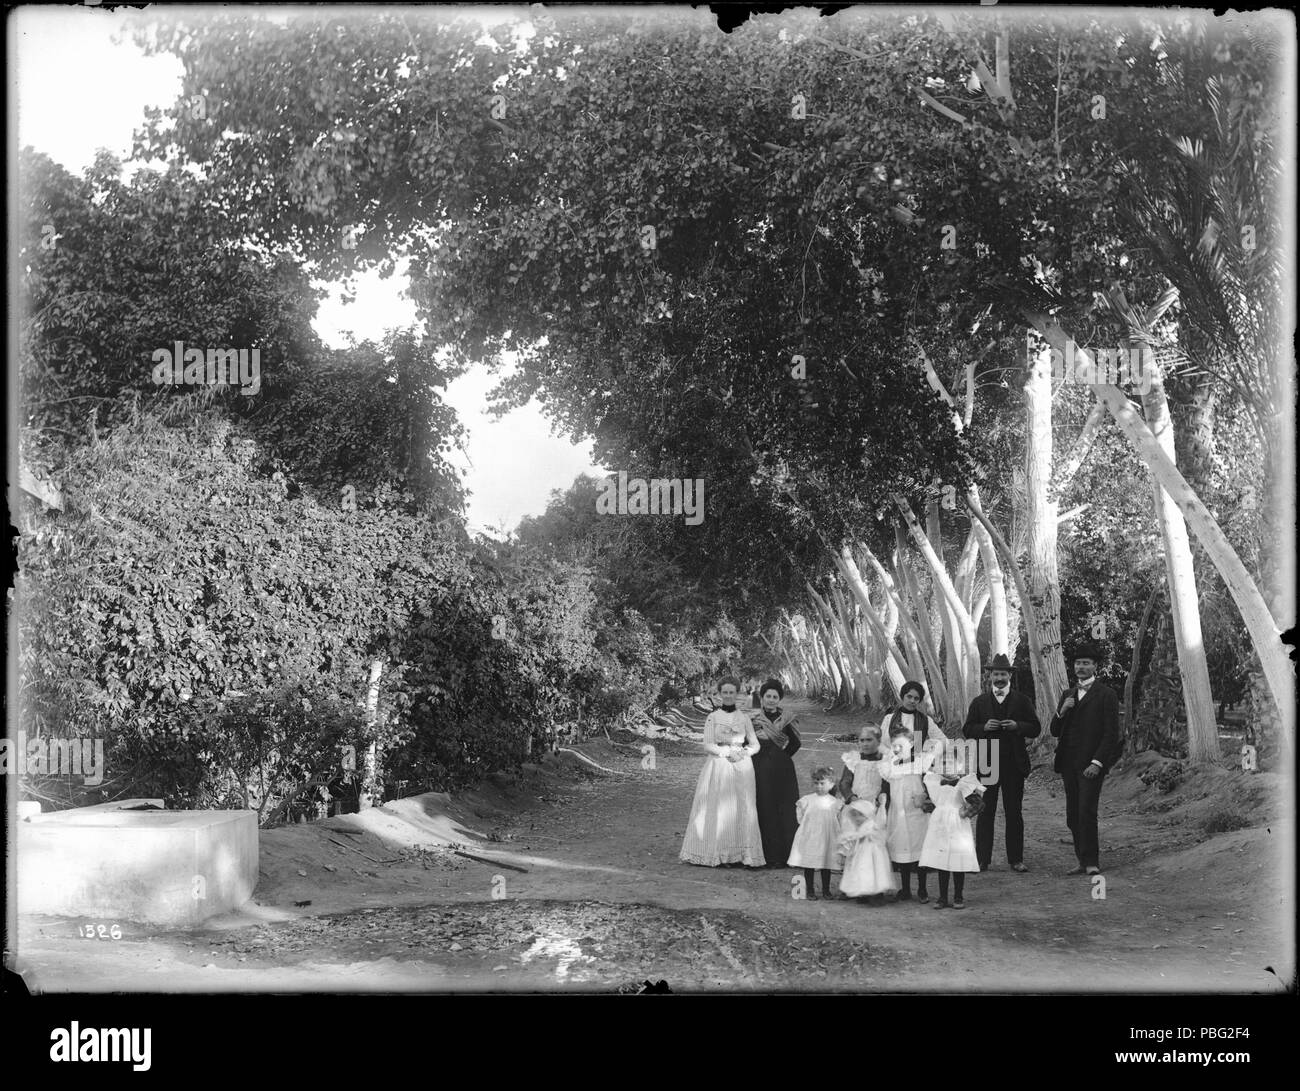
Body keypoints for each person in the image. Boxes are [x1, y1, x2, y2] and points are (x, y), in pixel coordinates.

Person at [961, 652, 1041, 872]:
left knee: (1013, 811)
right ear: (990, 676)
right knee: (985, 811)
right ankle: (982, 860)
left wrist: (1018, 726)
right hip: (987, 764)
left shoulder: (1022, 701)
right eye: (996, 673)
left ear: (1009, 676)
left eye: (1003, 674)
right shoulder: (979, 702)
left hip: (1014, 764)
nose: (999, 678)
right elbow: (967, 730)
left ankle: (1016, 859)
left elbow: (1036, 727)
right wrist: (982, 728)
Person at [1050, 643, 1122, 876]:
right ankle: (1081, 860)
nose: (1081, 667)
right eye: (1078, 663)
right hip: (1068, 763)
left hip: (1091, 764)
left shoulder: (1107, 695)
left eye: (1086, 663)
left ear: (1095, 667)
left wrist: (1097, 763)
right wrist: (1062, 711)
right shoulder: (1067, 694)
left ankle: (1092, 861)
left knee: (1086, 811)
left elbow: (1112, 734)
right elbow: (1054, 730)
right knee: (1073, 814)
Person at [680, 678, 765, 867]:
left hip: (742, 766)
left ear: (737, 694)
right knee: (720, 809)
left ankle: (743, 855)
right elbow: (707, 745)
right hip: (719, 764)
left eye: (731, 692)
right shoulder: (713, 717)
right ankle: (719, 854)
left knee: (742, 808)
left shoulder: (744, 718)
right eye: (724, 693)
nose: (728, 696)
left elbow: (755, 744)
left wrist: (744, 753)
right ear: (719, 694)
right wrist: (726, 752)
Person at [920, 742, 985, 909]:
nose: (947, 767)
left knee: (957, 861)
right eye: (943, 763)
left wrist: (967, 812)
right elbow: (934, 802)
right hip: (940, 825)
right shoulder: (934, 782)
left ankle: (958, 896)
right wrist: (925, 805)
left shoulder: (964, 783)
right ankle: (942, 897)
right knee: (942, 862)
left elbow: (979, 803)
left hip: (957, 824)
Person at [878, 722, 935, 902]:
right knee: (901, 848)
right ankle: (905, 888)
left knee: (920, 849)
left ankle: (923, 888)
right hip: (898, 811)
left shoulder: (920, 761)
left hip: (916, 812)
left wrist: (925, 796)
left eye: (901, 745)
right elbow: (886, 783)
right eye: (894, 745)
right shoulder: (889, 764)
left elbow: (930, 782)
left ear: (911, 744)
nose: (897, 749)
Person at [749, 678, 801, 868]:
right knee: (763, 808)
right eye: (768, 696)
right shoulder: (753, 720)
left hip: (782, 770)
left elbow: (796, 743)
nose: (771, 699)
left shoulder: (787, 718)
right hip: (758, 767)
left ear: (779, 699)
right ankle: (764, 856)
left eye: (775, 697)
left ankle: (784, 856)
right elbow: (746, 743)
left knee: (783, 810)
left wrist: (781, 757)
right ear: (762, 698)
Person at [788, 767, 843, 900]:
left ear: (831, 784)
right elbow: (800, 815)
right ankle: (810, 891)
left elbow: (839, 819)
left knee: (826, 864)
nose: (818, 786)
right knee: (810, 863)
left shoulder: (834, 802)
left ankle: (826, 890)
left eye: (822, 783)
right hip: (811, 837)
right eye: (816, 783)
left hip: (827, 837)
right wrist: (807, 827)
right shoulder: (807, 799)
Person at [836, 796, 895, 904]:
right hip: (861, 853)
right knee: (861, 871)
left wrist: (854, 836)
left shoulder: (871, 825)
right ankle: (864, 893)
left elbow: (875, 829)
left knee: (873, 872)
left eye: (861, 815)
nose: (857, 819)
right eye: (855, 816)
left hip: (872, 854)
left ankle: (876, 894)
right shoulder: (857, 826)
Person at [881, 681, 941, 753]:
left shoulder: (925, 720)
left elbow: (943, 740)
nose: (912, 701)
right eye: (909, 696)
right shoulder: (889, 718)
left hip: (917, 760)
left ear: (919, 701)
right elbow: (880, 743)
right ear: (903, 696)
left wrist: (932, 755)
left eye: (916, 698)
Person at [837, 723, 888, 806]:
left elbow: (887, 785)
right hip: (855, 803)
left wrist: (881, 797)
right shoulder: (853, 759)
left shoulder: (885, 761)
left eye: (869, 740)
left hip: (876, 804)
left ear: (879, 741)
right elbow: (844, 782)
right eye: (862, 740)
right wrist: (852, 798)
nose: (865, 744)